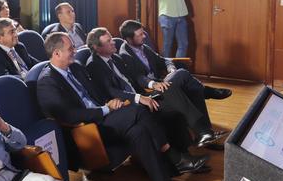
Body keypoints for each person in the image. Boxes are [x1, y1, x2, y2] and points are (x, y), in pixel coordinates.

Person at [36, 32, 205, 181]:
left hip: (106, 115)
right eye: (71, 48)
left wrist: (110, 103)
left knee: (139, 132)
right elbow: (68, 116)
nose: (75, 50)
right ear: (56, 54)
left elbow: (98, 93)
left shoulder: (76, 67)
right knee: (140, 111)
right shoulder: (47, 82)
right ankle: (174, 157)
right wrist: (105, 109)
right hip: (88, 129)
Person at [86, 27, 221, 150]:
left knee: (179, 87)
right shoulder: (94, 65)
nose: (113, 42)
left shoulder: (114, 57)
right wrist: (139, 97)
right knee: (178, 85)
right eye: (108, 41)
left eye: (111, 39)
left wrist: (152, 84)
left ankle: (202, 135)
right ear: (97, 47)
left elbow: (136, 76)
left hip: (145, 93)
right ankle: (203, 131)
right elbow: (112, 91)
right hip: (132, 104)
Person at [118, 20, 232, 101]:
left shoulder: (143, 47)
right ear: (129, 38)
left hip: (160, 81)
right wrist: (154, 84)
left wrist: (171, 68)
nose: (144, 36)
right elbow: (138, 77)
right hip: (149, 89)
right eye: (140, 34)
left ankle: (204, 94)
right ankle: (206, 92)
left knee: (180, 69)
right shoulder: (125, 55)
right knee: (182, 73)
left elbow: (163, 60)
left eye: (143, 33)